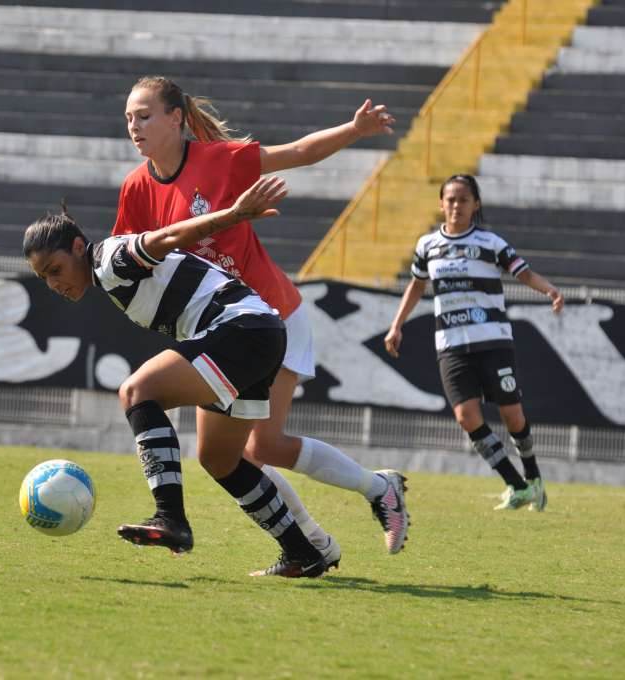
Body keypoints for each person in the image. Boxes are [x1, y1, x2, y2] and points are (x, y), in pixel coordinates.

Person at [114, 75, 409, 555]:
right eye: (128, 117)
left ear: (176, 118)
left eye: (144, 115)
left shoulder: (218, 159)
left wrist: (354, 130)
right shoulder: (135, 189)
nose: (134, 126)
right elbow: (127, 257)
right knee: (224, 456)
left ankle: (378, 492)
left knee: (263, 447)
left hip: (273, 318)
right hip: (222, 330)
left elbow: (297, 153)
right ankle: (313, 545)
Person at [26, 175, 330, 578]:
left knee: (137, 391)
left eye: (55, 268)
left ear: (78, 247)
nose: (53, 283)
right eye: (43, 277)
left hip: (243, 330)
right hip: (257, 333)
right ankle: (302, 552)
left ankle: (170, 517)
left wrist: (235, 214)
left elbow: (166, 237)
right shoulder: (104, 272)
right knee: (220, 460)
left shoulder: (109, 258)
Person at [385, 174, 562, 511]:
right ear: (441, 204)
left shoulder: (491, 243)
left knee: (512, 415)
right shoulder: (427, 246)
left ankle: (534, 476)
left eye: (463, 199)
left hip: (493, 341)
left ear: (475, 204)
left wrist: (549, 289)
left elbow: (522, 272)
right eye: (450, 199)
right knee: (466, 416)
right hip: (450, 345)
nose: (456, 205)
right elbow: (417, 285)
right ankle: (516, 484)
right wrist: (397, 326)